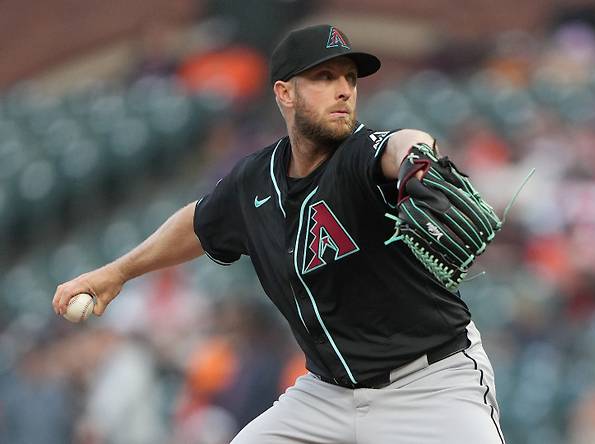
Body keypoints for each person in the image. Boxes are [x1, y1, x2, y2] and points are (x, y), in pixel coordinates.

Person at [52, 24, 506, 443]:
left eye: (350, 78)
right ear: (285, 93)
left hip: (430, 384)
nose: (344, 90)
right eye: (325, 77)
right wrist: (118, 272)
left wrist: (418, 162)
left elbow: (403, 143)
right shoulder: (254, 179)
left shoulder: (359, 156)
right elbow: (198, 222)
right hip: (326, 397)